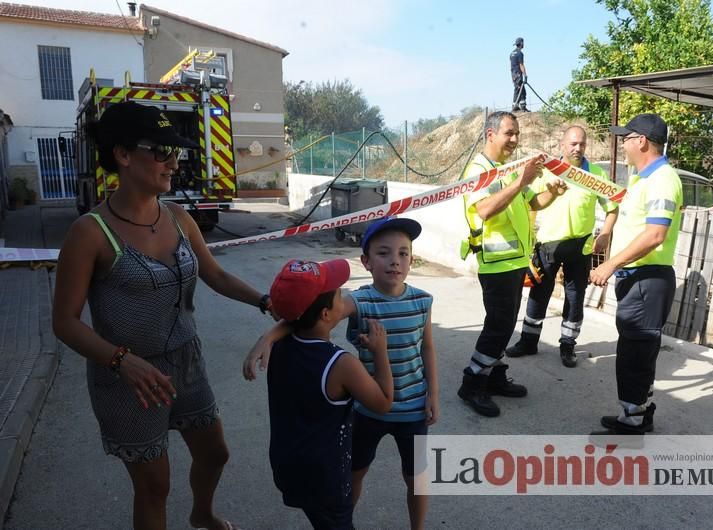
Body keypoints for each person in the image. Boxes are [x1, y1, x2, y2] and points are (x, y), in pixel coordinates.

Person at [52, 101, 270, 530]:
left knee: (215, 454)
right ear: (123, 154)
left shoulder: (178, 216)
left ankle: (202, 513)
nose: (173, 163)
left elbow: (216, 275)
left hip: (186, 362)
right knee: (154, 487)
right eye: (162, 151)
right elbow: (64, 322)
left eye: (178, 153)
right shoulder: (91, 233)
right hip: (127, 378)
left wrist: (264, 301)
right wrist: (120, 360)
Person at [245, 216, 438, 530]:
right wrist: (268, 336)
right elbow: (306, 317)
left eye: (403, 253)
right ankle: (342, 520)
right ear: (366, 262)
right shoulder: (358, 301)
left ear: (411, 259)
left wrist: (434, 394)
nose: (395, 261)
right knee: (354, 474)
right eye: (384, 253)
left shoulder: (422, 301)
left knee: (416, 476)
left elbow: (427, 348)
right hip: (368, 410)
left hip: (414, 408)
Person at [252, 258, 393, 530]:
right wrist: (380, 351)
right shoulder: (341, 364)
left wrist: (270, 334)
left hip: (288, 466)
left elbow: (291, 323)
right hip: (326, 478)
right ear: (326, 315)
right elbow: (383, 402)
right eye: (340, 295)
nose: (345, 297)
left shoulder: (278, 345)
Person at [458, 111, 567, 417]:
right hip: (496, 264)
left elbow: (534, 201)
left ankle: (493, 376)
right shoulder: (479, 170)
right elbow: (485, 209)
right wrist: (521, 182)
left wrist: (552, 192)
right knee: (498, 327)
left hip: (514, 262)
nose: (515, 140)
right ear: (490, 134)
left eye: (517, 133)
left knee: (504, 326)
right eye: (509, 133)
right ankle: (472, 383)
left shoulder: (506, 168)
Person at [589, 113, 682, 435]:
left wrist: (611, 263)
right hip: (639, 278)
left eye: (626, 138)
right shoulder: (643, 177)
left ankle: (632, 422)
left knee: (634, 354)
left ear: (641, 141)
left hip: (647, 277)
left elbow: (655, 234)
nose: (623, 144)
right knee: (636, 351)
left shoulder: (662, 179)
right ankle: (639, 411)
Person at [506, 125, 619, 367]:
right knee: (539, 293)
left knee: (575, 296)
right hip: (548, 243)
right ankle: (528, 341)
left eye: (582, 144)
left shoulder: (596, 174)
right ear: (562, 145)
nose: (578, 148)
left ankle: (568, 345)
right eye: (573, 144)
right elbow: (531, 204)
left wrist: (606, 233)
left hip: (581, 245)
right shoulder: (547, 171)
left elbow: (612, 207)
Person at [510, 37, 528, 112]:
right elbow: (521, 65)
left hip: (513, 73)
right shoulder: (520, 53)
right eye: (523, 42)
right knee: (519, 89)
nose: (523, 44)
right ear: (521, 43)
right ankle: (515, 107)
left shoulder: (511, 53)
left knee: (520, 89)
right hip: (518, 73)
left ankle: (521, 106)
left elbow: (510, 65)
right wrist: (525, 75)